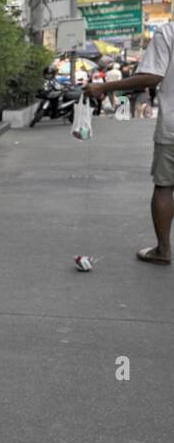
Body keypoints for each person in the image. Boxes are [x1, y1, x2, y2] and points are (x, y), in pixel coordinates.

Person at [85, 23, 172, 264]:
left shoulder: (168, 32)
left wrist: (104, 87)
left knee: (165, 186)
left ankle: (163, 250)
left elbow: (153, 76)